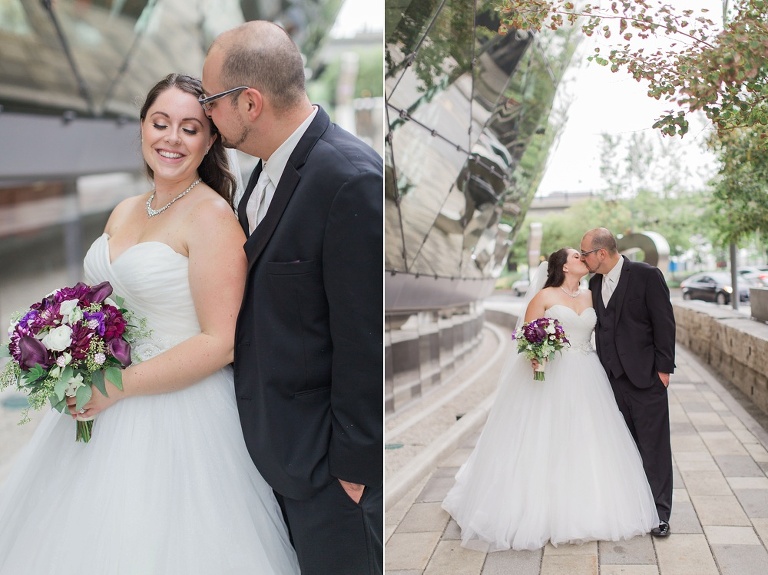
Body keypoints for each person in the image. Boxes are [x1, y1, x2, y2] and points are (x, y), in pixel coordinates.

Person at [0, 73, 300, 575]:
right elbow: (98, 303)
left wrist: (115, 387)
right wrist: (63, 344)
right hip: (98, 402)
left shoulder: (212, 218)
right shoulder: (123, 210)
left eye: (190, 128)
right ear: (142, 127)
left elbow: (221, 341)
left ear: (210, 140)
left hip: (179, 414)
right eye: (161, 123)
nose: (172, 139)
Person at [200, 21, 383, 575]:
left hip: (329, 476)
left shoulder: (350, 178)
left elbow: (365, 338)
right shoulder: (263, 171)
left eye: (210, 101)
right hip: (276, 458)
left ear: (249, 102)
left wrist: (353, 470)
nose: (207, 115)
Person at [442, 248, 659, 551]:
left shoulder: (591, 295)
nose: (583, 258)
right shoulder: (544, 296)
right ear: (564, 266)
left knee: (588, 435)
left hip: (588, 373)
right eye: (576, 256)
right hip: (553, 371)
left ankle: (589, 505)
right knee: (546, 433)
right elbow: (526, 335)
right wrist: (536, 356)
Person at [580, 227, 676, 538]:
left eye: (585, 253)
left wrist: (663, 370)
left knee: (654, 447)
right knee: (624, 447)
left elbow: (664, 322)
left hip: (646, 377)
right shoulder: (594, 283)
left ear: (602, 253)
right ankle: (635, 508)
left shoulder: (647, 275)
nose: (582, 258)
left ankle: (660, 515)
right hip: (610, 380)